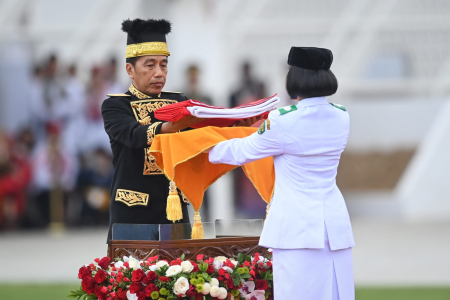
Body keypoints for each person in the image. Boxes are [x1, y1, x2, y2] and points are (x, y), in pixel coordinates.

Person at [208, 47, 355, 300]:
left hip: (296, 229)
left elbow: (242, 151)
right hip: (334, 227)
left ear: (296, 77)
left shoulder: (283, 120)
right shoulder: (342, 116)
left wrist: (203, 146)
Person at [101, 19, 206, 242]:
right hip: (134, 212)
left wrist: (237, 125)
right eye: (150, 65)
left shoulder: (179, 101)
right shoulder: (115, 106)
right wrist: (170, 127)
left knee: (181, 275)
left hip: (174, 212)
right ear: (130, 69)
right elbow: (133, 135)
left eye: (164, 65)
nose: (159, 73)